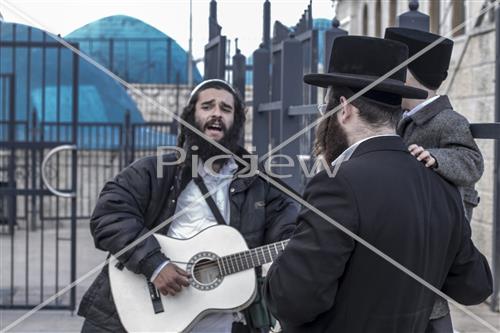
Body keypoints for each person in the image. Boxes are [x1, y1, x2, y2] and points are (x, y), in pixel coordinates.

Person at [263, 35, 493, 333]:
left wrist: (277, 267)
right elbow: (474, 286)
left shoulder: (337, 186)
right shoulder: (442, 185)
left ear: (344, 109)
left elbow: (290, 301)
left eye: (325, 111)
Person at [78, 79, 298, 332]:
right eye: (207, 106)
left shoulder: (259, 182)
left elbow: (289, 229)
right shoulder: (154, 171)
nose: (217, 113)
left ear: (236, 122)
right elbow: (109, 215)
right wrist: (154, 264)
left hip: (220, 321)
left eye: (226, 109)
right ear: (191, 116)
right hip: (136, 314)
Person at [384, 27, 485, 333]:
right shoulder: (399, 118)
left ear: (412, 77)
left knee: (431, 306)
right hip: (414, 225)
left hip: (439, 233)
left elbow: (472, 161)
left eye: (397, 72)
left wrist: (436, 158)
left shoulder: (447, 120)